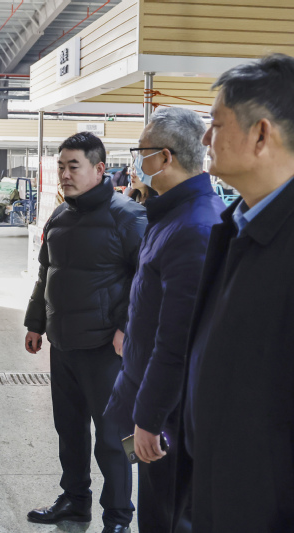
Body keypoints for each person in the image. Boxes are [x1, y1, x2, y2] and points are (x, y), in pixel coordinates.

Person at [174, 54, 294, 532]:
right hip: (215, 496)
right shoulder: (236, 228)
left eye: (217, 124)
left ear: (261, 135)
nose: (206, 139)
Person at [104, 107, 224, 533]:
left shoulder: (194, 227)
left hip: (169, 416)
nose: (137, 161)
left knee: (167, 515)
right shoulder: (171, 215)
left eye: (141, 152)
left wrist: (150, 418)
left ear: (165, 157)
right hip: (149, 397)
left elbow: (177, 341)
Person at [24, 131, 146, 533]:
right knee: (70, 431)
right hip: (63, 345)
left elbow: (147, 279)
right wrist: (36, 322)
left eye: (73, 166)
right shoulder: (60, 215)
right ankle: (75, 502)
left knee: (113, 438)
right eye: (60, 166)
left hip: (105, 349)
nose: (64, 174)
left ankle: (118, 517)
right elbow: (46, 273)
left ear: (99, 168)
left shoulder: (127, 216)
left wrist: (126, 327)